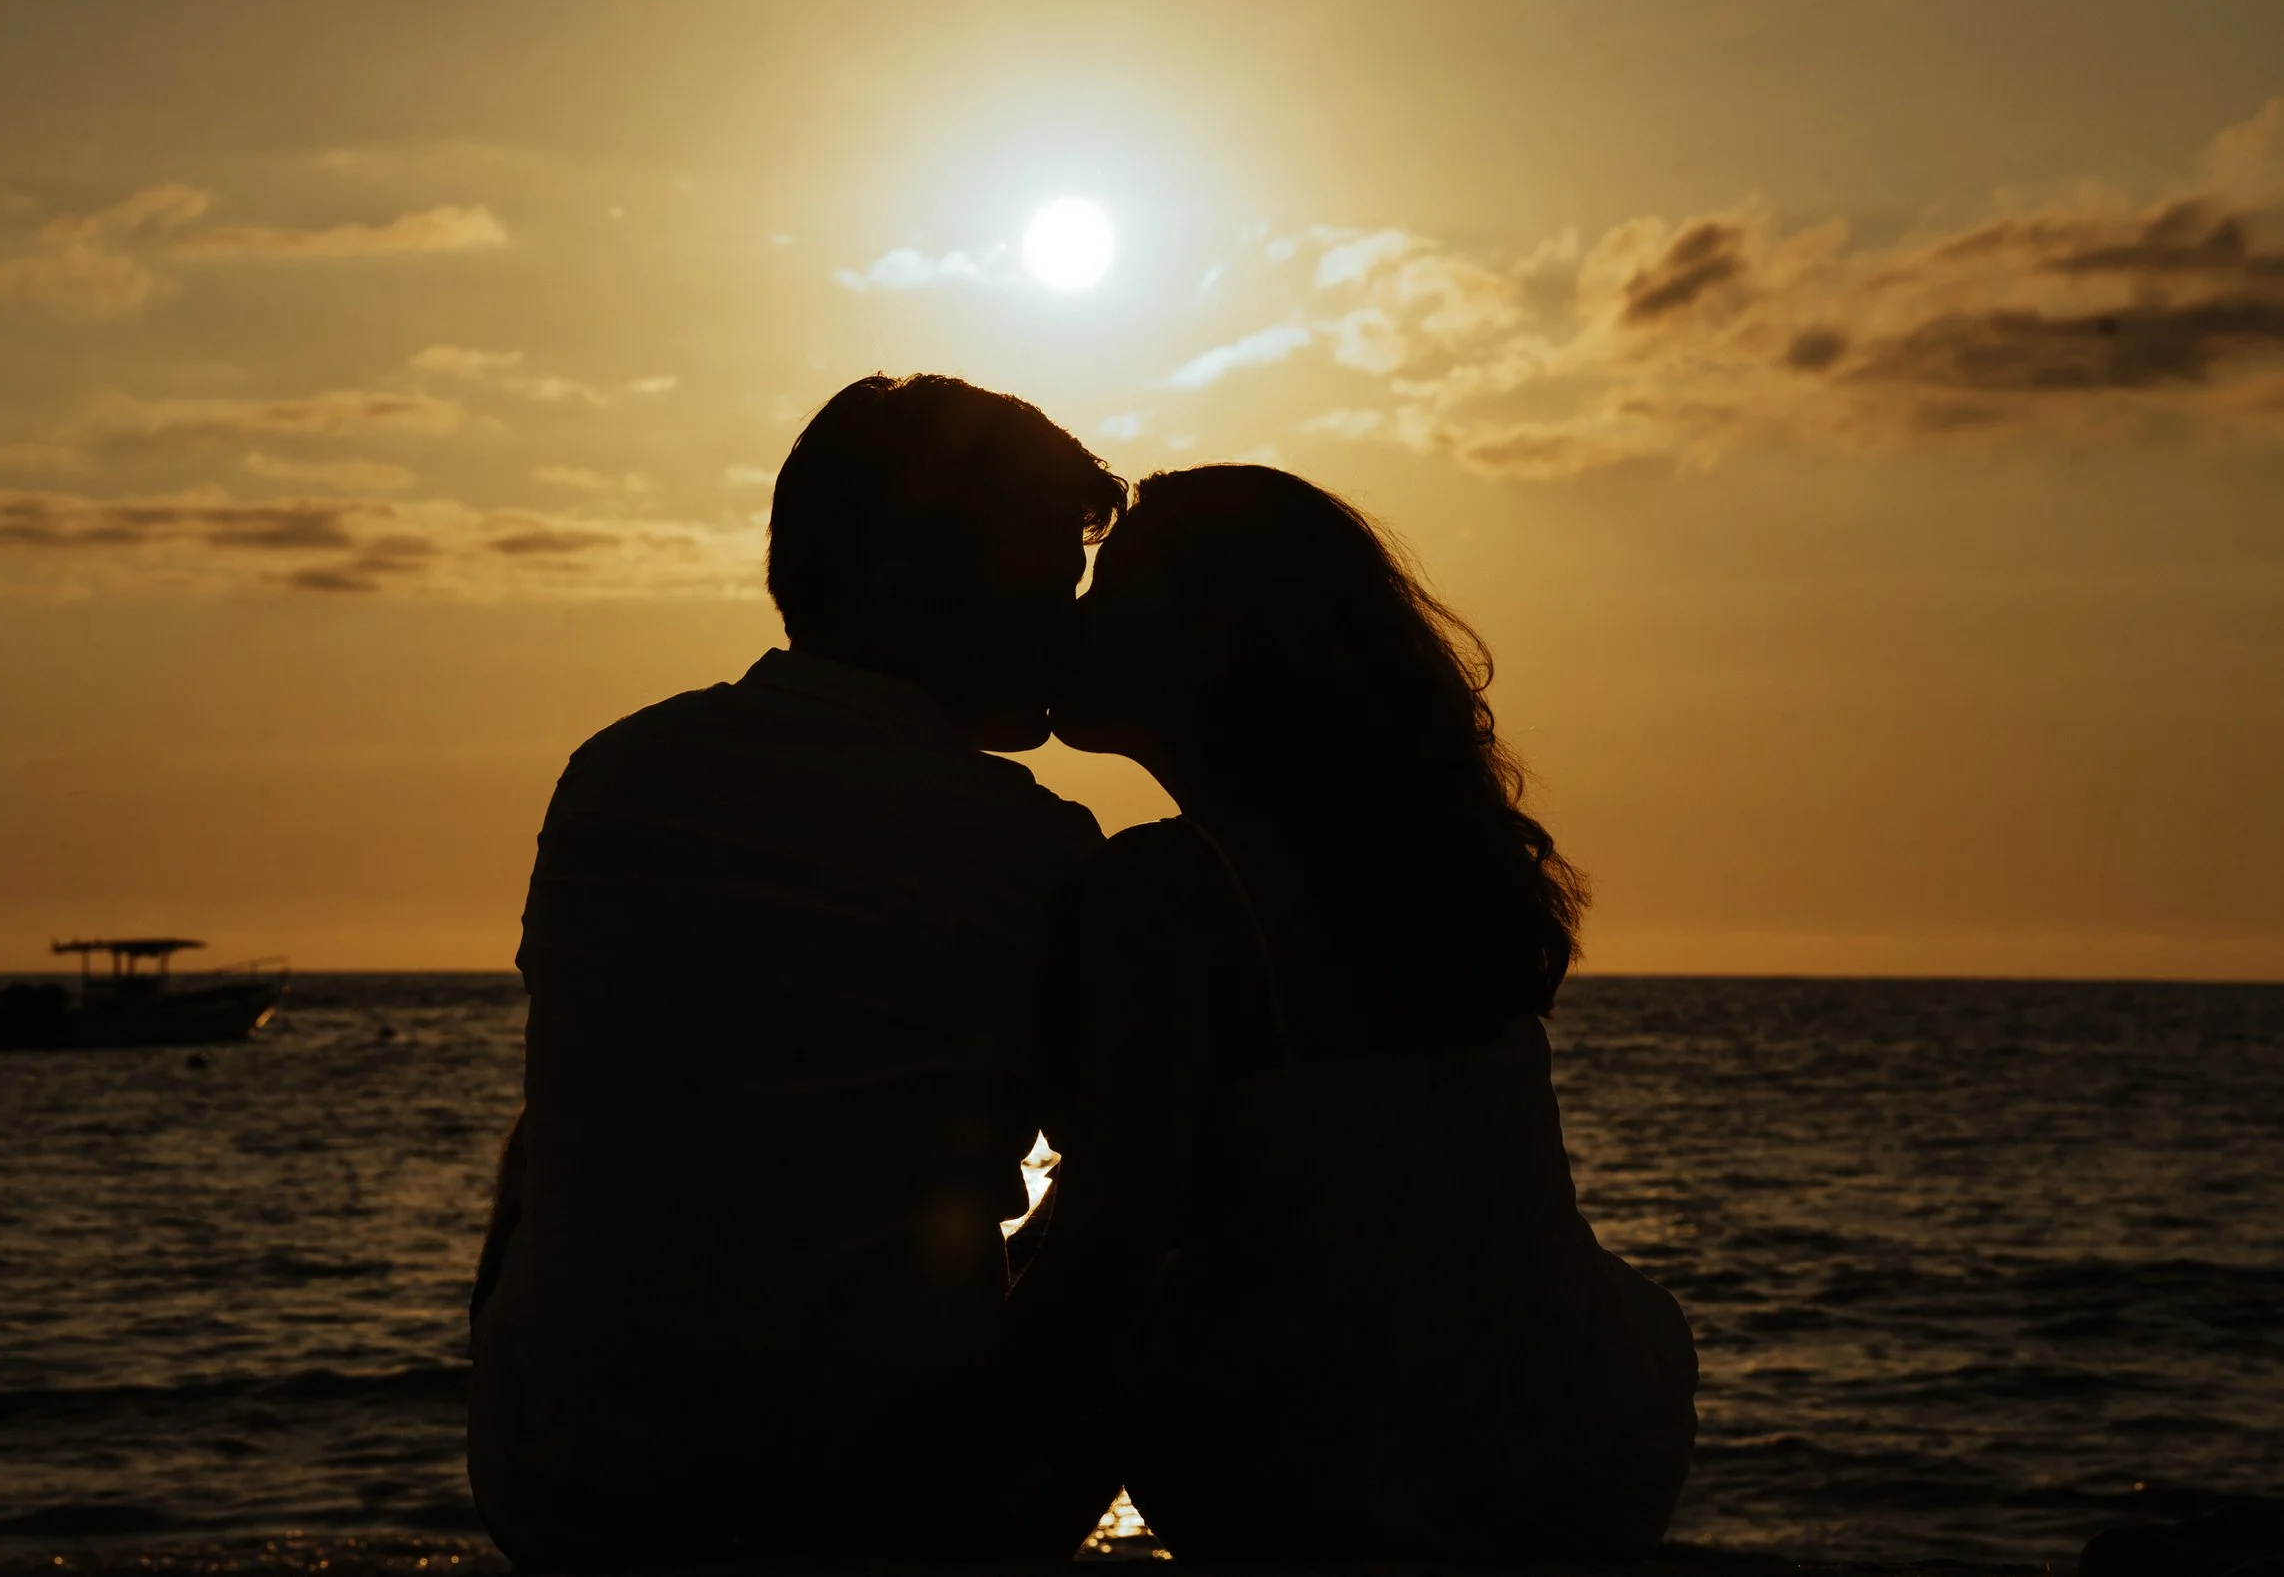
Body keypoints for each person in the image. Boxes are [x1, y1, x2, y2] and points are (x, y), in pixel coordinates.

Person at [467, 374, 1129, 1569]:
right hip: (860, 1496)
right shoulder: (1032, 849)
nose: (1068, 626)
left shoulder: (614, 773)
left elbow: (576, 1109)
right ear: (914, 589)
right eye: (1044, 582)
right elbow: (1130, 1189)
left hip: (558, 1474)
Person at [1042, 463, 1699, 1563]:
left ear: (1207, 643)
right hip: (1591, 1432)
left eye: (1109, 593)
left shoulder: (1171, 892)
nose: (1072, 621)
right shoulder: (1408, 869)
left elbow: (1103, 1268)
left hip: (1377, 1484)